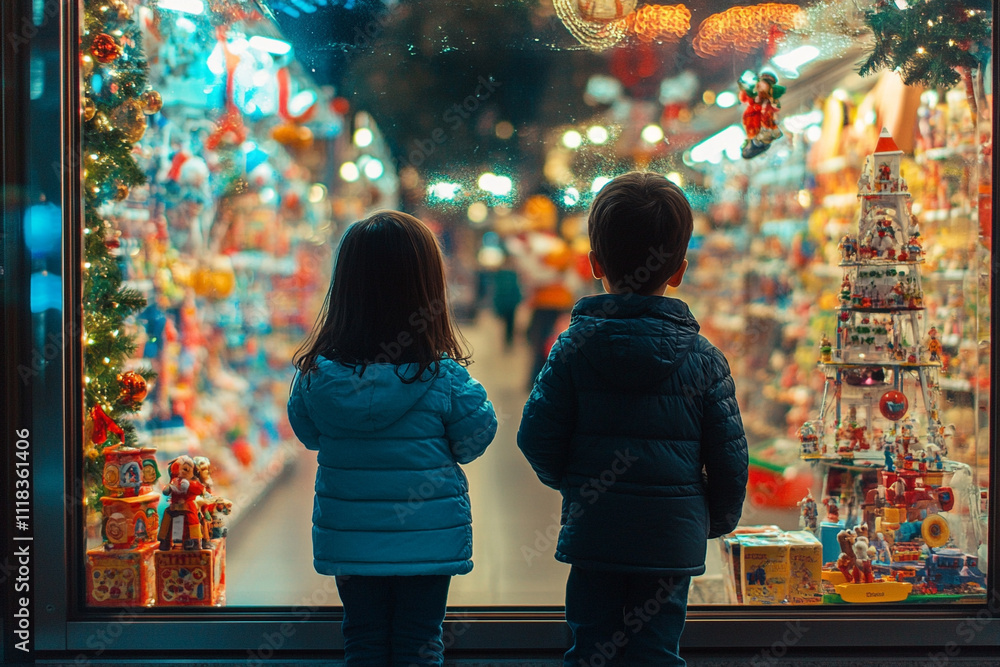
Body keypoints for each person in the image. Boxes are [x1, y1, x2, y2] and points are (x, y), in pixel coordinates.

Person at [517, 173, 748, 667]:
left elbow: (536, 435)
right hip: (670, 541)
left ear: (596, 263)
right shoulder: (706, 360)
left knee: (590, 645)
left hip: (595, 532)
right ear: (680, 269)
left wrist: (578, 483)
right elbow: (729, 459)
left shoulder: (572, 350)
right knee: (657, 651)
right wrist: (713, 518)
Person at [287, 211, 498, 667]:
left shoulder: (316, 378)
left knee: (362, 640)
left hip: (351, 541)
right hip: (428, 542)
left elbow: (309, 434)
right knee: (420, 642)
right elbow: (476, 438)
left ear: (344, 288)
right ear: (427, 291)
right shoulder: (444, 379)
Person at [491, 253, 522, 350]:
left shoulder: (501, 274)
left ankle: (507, 341)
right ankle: (508, 341)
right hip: (510, 303)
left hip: (507, 303)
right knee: (509, 324)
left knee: (506, 324)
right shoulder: (511, 274)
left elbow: (497, 290)